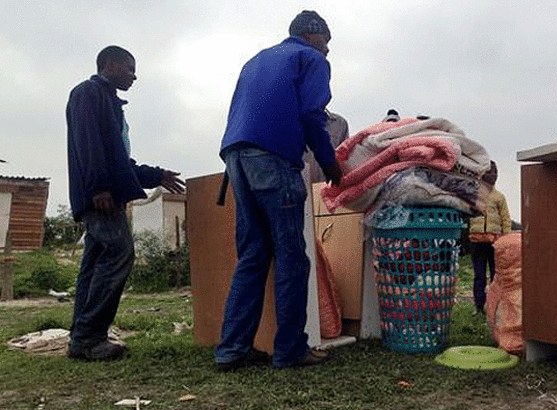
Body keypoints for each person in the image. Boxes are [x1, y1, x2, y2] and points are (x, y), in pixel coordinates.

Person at [215, 10, 342, 370]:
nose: (329, 49)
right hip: (273, 158)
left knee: (253, 256)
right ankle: (290, 350)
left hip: (237, 158)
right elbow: (313, 115)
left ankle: (232, 350)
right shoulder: (310, 58)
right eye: (327, 40)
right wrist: (329, 161)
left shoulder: (257, 60)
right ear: (311, 34)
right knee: (291, 257)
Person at [66, 45, 185, 361]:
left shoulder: (110, 103)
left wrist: (156, 174)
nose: (134, 75)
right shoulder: (88, 93)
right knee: (120, 251)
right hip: (99, 198)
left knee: (93, 264)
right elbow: (87, 144)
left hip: (105, 196)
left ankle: (83, 338)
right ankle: (89, 337)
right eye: (129, 68)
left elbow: (120, 161)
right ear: (109, 65)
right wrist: (98, 189)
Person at [469, 161, 510, 313]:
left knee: (495, 276)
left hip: (495, 243)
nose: (492, 176)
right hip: (477, 242)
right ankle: (479, 307)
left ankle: (494, 305)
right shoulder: (474, 194)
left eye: (494, 172)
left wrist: (505, 240)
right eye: (489, 172)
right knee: (479, 276)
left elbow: (505, 219)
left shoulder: (499, 197)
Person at [305, 110, 349, 183]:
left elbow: (344, 159)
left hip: (328, 189)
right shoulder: (287, 123)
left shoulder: (340, 123)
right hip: (295, 190)